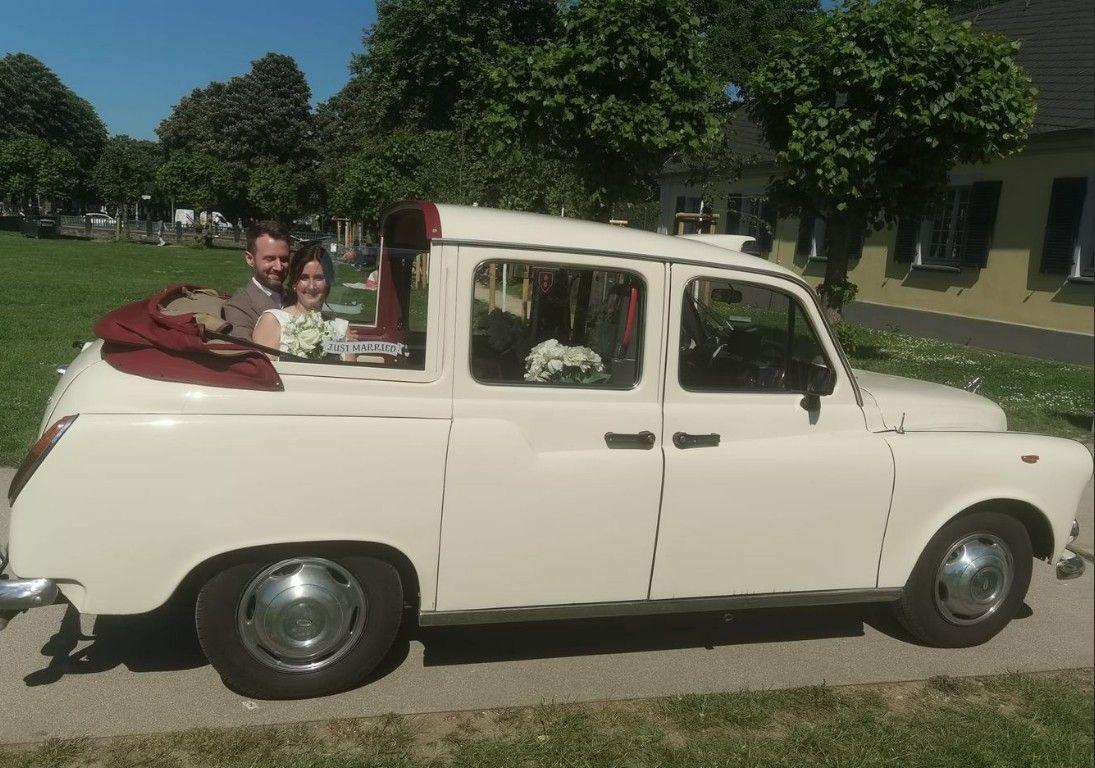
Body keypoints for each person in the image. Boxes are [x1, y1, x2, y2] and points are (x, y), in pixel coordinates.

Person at [253, 243, 349, 355]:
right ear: (295, 283)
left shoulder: (342, 329)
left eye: (318, 278)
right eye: (304, 278)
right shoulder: (273, 321)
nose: (312, 286)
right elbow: (264, 366)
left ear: (328, 283)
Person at [223, 221, 291, 340]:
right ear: (250, 259)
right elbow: (245, 349)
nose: (279, 267)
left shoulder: (295, 297)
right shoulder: (239, 307)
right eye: (270, 258)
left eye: (284, 259)